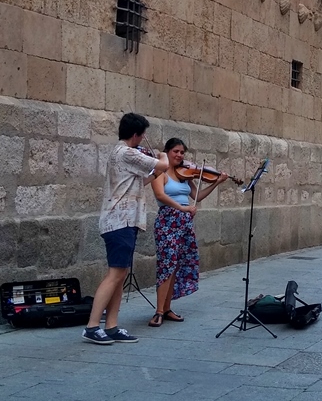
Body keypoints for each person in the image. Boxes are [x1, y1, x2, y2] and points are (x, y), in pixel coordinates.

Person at [83, 113, 169, 345]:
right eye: (142, 135)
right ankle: (92, 326)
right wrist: (162, 155)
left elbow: (139, 182)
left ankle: (111, 326)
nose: (143, 139)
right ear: (136, 134)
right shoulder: (127, 152)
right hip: (119, 221)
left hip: (125, 221)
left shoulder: (122, 154)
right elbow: (164, 163)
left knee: (120, 275)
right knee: (115, 274)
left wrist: (156, 173)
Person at [148, 138, 229, 327]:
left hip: (184, 224)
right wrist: (182, 208)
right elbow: (160, 195)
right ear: (167, 152)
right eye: (175, 151)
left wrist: (216, 182)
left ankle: (167, 309)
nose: (179, 155)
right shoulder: (160, 172)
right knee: (166, 266)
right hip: (168, 221)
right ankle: (158, 311)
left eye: (182, 152)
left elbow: (197, 196)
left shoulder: (184, 175)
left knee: (177, 265)